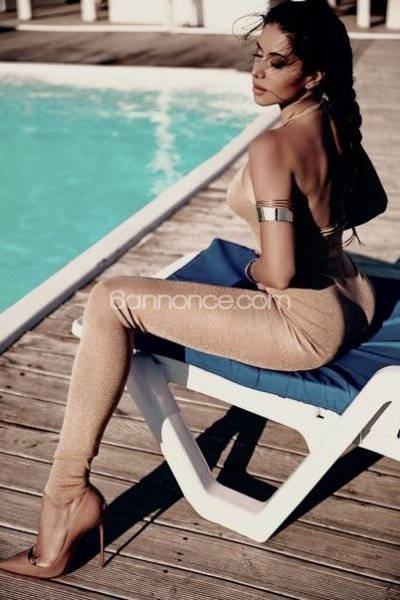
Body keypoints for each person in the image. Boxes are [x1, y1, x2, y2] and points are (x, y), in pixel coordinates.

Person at [0, 0, 384, 579]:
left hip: (302, 325)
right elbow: (372, 201)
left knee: (110, 299)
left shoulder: (274, 147)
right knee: (124, 297)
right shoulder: (334, 119)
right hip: (353, 297)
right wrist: (316, 237)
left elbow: (279, 274)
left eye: (277, 62)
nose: (258, 71)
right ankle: (67, 497)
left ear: (313, 74)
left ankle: (66, 495)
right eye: (258, 56)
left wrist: (257, 272)